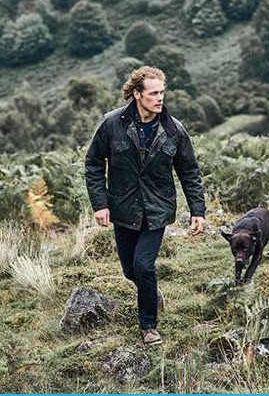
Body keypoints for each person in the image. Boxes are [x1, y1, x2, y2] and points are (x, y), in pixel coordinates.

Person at [85, 65, 206, 346]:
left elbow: (189, 171)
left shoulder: (174, 130)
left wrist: (198, 211)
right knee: (130, 270)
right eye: (153, 93)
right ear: (137, 94)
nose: (160, 98)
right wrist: (100, 203)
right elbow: (93, 163)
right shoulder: (112, 123)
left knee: (144, 265)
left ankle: (148, 326)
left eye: (162, 92)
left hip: (157, 209)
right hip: (123, 208)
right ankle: (150, 292)